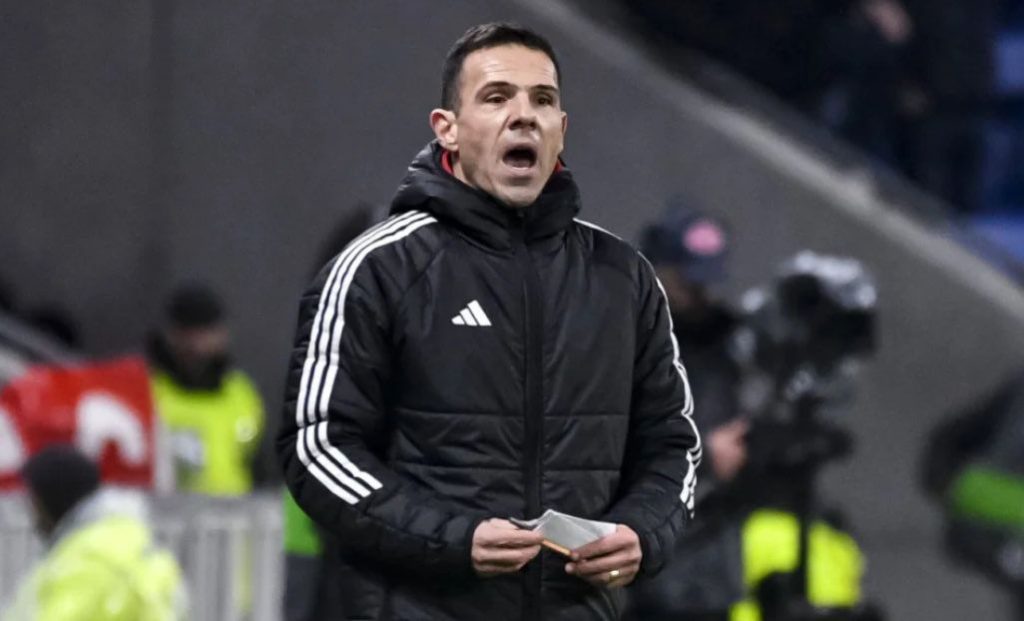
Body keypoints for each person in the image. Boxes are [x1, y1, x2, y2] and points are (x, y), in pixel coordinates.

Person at [277, 22, 702, 621]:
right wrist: (453, 538)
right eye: (497, 97)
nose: (524, 115)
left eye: (543, 100)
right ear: (447, 129)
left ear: (561, 130)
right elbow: (317, 445)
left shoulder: (623, 278)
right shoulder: (377, 269)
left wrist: (642, 531)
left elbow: (672, 444)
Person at [626, 206, 748, 621]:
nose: (700, 295)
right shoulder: (624, 338)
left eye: (705, 283)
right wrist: (707, 456)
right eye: (686, 281)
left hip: (710, 563)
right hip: (640, 569)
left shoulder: (727, 342)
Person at [3, 445, 185, 620]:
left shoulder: (88, 562)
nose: (34, 518)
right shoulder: (127, 541)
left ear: (54, 500)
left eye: (36, 505)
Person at [148, 283, 264, 496]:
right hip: (169, 511)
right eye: (188, 333)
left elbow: (257, 464)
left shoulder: (242, 394)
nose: (197, 344)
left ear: (222, 335)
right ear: (170, 335)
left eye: (206, 332)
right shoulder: (150, 392)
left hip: (237, 510)